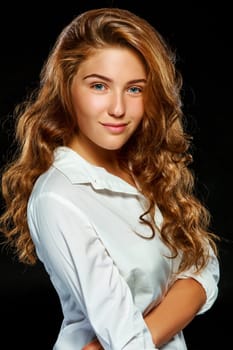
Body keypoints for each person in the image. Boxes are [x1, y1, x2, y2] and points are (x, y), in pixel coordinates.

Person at [0, 7, 220, 350]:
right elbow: (130, 344)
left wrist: (187, 290)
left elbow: (206, 265)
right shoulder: (59, 197)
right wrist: (184, 294)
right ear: (66, 88)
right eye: (99, 86)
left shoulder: (142, 168)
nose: (118, 108)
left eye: (134, 89)